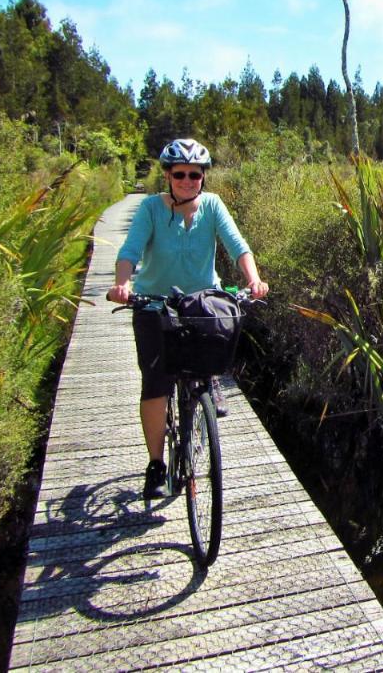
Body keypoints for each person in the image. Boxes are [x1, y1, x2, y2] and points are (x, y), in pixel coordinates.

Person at [106, 138, 269, 499]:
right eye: (179, 173)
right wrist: (122, 283)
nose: (187, 180)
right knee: (156, 384)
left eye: (194, 174)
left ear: (202, 177)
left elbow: (237, 245)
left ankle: (208, 384)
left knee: (215, 343)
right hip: (154, 305)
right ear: (167, 175)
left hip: (200, 304)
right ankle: (155, 465)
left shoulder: (212, 206)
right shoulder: (150, 209)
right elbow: (130, 251)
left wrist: (253, 279)